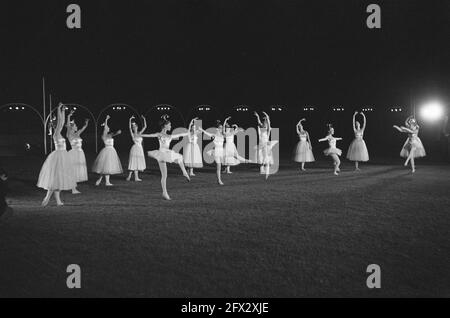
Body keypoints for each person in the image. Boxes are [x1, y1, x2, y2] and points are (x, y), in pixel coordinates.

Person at [37, 103, 77, 206]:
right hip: (59, 157)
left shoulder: (59, 133)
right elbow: (61, 122)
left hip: (63, 156)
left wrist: (63, 111)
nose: (60, 126)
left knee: (59, 180)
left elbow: (61, 122)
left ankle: (58, 201)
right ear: (55, 126)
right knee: (55, 180)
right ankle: (46, 198)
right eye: (58, 125)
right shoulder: (56, 134)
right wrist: (60, 109)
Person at [146, 115, 191, 200]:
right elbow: (150, 135)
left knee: (179, 159)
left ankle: (184, 173)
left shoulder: (169, 136)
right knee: (165, 175)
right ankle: (165, 192)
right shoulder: (159, 134)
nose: (171, 126)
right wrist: (140, 135)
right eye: (169, 125)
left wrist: (189, 133)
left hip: (165, 153)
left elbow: (181, 134)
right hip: (161, 154)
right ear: (165, 126)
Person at [92, 115, 123, 186]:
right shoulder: (103, 136)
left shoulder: (110, 135)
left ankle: (101, 180)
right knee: (106, 167)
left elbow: (114, 133)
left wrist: (118, 133)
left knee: (106, 167)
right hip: (107, 151)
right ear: (105, 129)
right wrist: (106, 119)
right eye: (107, 128)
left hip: (112, 151)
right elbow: (105, 127)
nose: (108, 128)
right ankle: (106, 182)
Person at [66, 110, 89, 193]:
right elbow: (68, 125)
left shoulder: (77, 133)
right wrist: (69, 116)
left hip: (80, 153)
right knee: (73, 170)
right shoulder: (69, 134)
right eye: (75, 125)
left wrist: (86, 123)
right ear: (72, 127)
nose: (76, 126)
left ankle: (74, 188)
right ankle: (73, 189)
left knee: (77, 170)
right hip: (74, 153)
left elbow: (84, 128)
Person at [254, 111, 278, 179]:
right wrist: (257, 116)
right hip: (261, 144)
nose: (265, 124)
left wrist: (266, 115)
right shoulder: (261, 128)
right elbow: (259, 122)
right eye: (264, 123)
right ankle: (262, 169)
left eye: (266, 123)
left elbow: (269, 122)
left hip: (266, 144)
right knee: (261, 157)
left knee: (266, 158)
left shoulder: (268, 130)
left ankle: (267, 173)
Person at [201, 120, 226, 185]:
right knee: (218, 166)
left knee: (221, 165)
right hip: (216, 151)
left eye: (222, 128)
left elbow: (231, 134)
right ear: (217, 129)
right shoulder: (214, 135)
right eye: (220, 128)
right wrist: (202, 130)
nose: (222, 129)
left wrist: (237, 131)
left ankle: (219, 180)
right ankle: (219, 180)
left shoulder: (223, 135)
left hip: (221, 151)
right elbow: (207, 133)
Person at [126, 115, 147, 182]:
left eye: (135, 126)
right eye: (133, 127)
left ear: (137, 127)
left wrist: (144, 119)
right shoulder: (132, 134)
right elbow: (129, 128)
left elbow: (145, 126)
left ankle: (131, 177)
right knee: (134, 162)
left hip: (140, 149)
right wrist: (130, 119)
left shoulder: (140, 133)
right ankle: (134, 177)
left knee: (137, 162)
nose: (134, 128)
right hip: (135, 148)